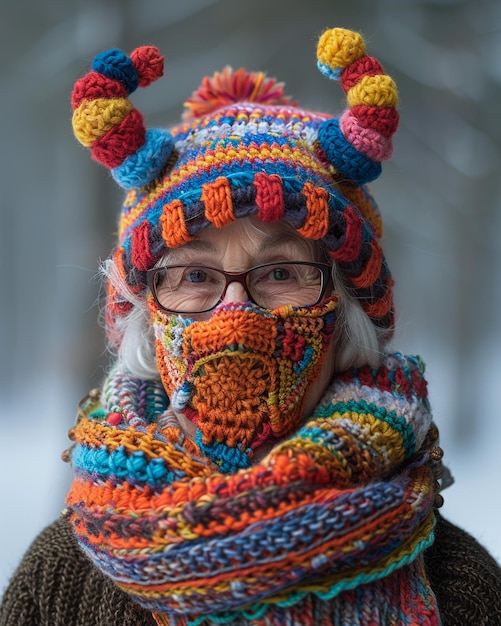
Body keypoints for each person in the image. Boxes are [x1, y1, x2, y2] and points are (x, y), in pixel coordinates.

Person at [1, 26, 500, 626]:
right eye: (193, 278)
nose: (236, 314)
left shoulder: (456, 582)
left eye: (281, 272)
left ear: (347, 315)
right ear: (145, 321)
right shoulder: (61, 582)